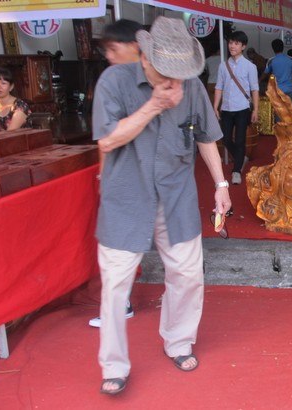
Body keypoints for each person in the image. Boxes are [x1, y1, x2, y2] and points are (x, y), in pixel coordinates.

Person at [91, 16, 231, 395]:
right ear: (145, 58)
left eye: (182, 73)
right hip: (126, 198)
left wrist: (221, 184)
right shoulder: (114, 83)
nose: (175, 80)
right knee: (116, 285)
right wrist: (153, 105)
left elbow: (205, 136)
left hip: (176, 194)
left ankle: (179, 340)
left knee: (187, 275)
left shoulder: (193, 87)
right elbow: (107, 140)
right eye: (167, 72)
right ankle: (115, 364)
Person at [86, 18, 144, 329]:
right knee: (119, 248)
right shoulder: (110, 81)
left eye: (113, 48)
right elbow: (105, 139)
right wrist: (103, 175)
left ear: (135, 46)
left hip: (155, 181)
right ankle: (120, 303)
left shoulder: (162, 79)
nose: (109, 55)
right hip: (125, 178)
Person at [213, 31, 259, 185]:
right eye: (231, 42)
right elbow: (219, 87)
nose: (232, 46)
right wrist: (215, 107)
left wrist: (256, 110)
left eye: (236, 43)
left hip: (242, 109)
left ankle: (236, 171)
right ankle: (241, 157)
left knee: (240, 140)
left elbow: (254, 89)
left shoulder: (250, 67)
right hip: (226, 108)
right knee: (226, 139)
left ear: (243, 46)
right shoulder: (223, 66)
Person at [261, 39, 292, 110]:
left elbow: (265, 74)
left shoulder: (271, 61)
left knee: (279, 114)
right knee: (291, 114)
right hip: (290, 91)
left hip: (277, 92)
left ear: (273, 48)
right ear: (283, 47)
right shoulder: (291, 60)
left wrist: (258, 81)